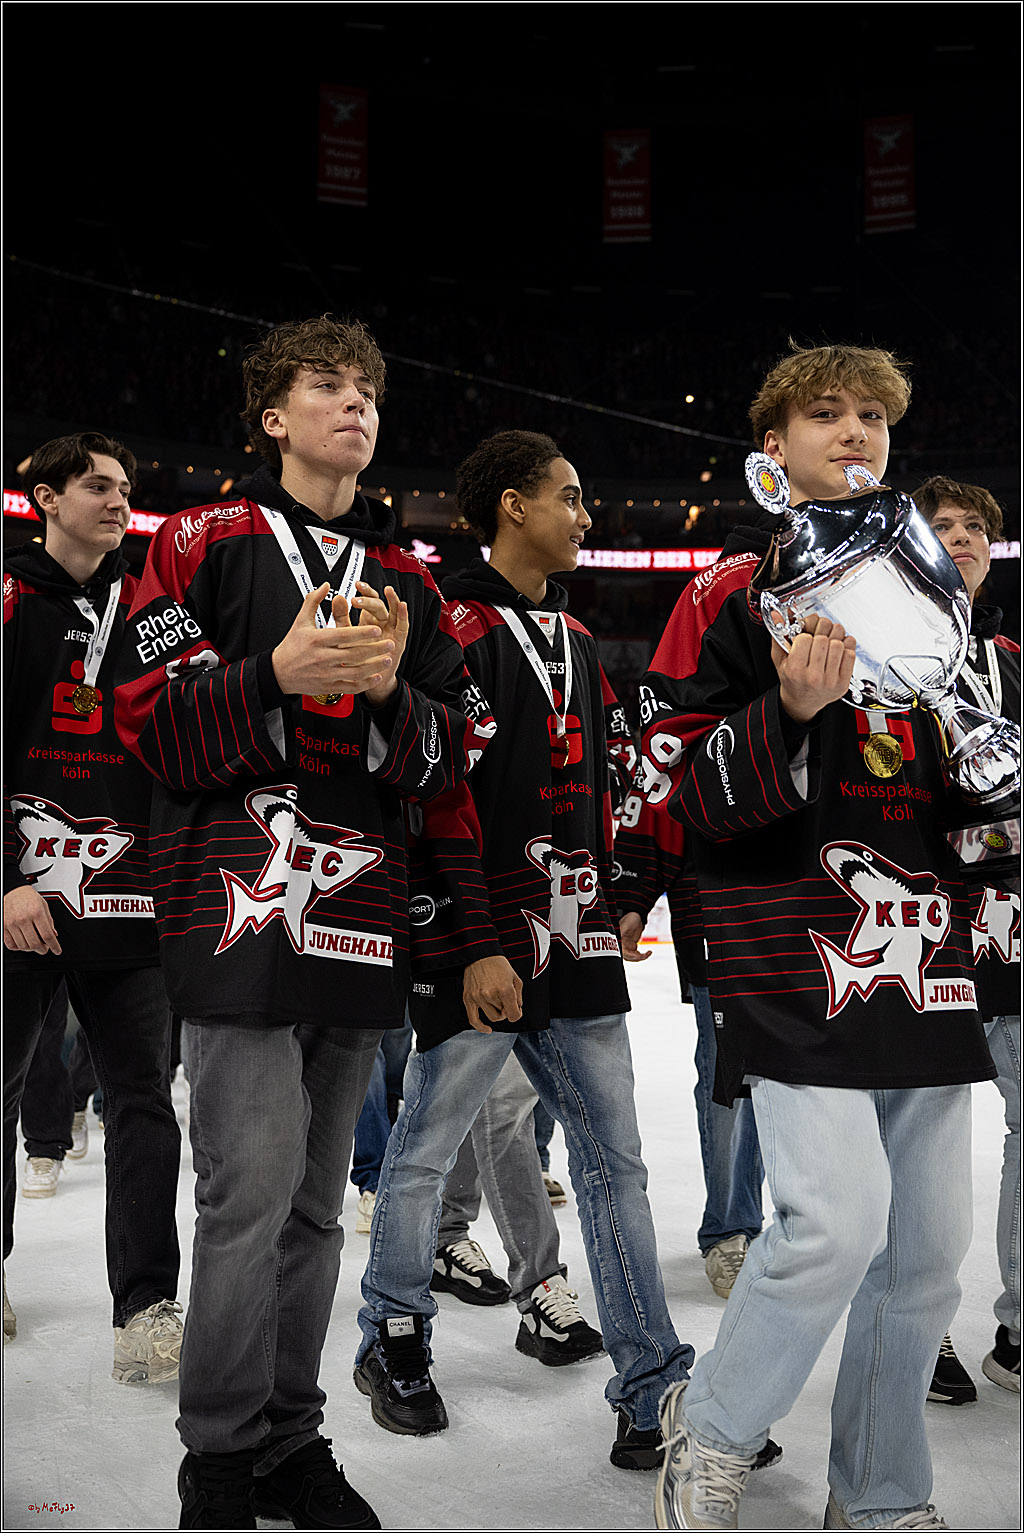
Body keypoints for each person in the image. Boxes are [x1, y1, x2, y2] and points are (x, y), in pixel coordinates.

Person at [114, 313, 491, 1532]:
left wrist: (390, 693)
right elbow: (143, 717)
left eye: (368, 390)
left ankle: (289, 1438)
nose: (355, 406)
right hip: (233, 915)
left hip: (362, 914)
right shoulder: (197, 539)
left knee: (321, 1207)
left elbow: (458, 751)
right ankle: (218, 1457)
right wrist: (272, 677)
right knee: (247, 1195)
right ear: (272, 416)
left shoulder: (410, 581)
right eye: (325, 387)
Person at [647, 344, 999, 1531]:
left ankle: (883, 1494)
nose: (853, 432)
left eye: (872, 417)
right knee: (831, 1224)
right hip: (790, 946)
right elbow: (671, 787)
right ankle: (713, 1429)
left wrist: (989, 785)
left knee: (923, 1258)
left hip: (921, 950)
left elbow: (955, 799)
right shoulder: (728, 590)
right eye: (824, 414)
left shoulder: (941, 602)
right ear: (775, 445)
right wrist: (787, 709)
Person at [354, 428, 694, 1473]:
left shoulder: (583, 640)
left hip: (576, 938)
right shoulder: (442, 619)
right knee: (420, 1154)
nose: (586, 516)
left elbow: (607, 789)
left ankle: (653, 1387)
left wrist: (625, 891)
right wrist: (472, 944)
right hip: (478, 943)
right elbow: (432, 794)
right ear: (511, 505)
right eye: (570, 497)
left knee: (615, 1167)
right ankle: (391, 1338)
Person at [3, 431, 182, 1380]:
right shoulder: (9, 602)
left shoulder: (151, 610)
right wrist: (3, 879)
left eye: (127, 486)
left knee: (143, 1103)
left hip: (130, 903)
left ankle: (147, 1303)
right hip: (24, 899)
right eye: (100, 486)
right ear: (45, 497)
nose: (121, 501)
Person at [914, 474, 1020, 1400]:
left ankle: (1018, 1328)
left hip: (1014, 936)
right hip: (926, 935)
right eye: (939, 524)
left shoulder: (1016, 658)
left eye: (974, 526)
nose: (960, 538)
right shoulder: (891, 655)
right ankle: (923, 1331)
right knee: (917, 1147)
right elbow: (908, 818)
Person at [614, 802, 765, 1298]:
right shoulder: (689, 729)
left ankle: (767, 1225)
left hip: (798, 923)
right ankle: (729, 1229)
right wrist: (633, 899)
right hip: (717, 925)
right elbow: (655, 810)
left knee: (782, 1079)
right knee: (729, 1077)